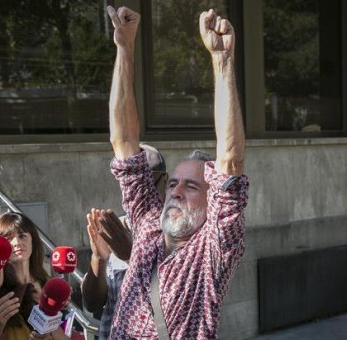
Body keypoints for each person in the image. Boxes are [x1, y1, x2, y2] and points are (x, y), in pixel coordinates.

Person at [106, 6, 249, 339]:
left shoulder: (211, 252)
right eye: (172, 183)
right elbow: (124, 141)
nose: (176, 192)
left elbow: (230, 164)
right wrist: (125, 49)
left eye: (191, 186)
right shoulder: (147, 230)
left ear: (213, 201)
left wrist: (222, 61)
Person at [81, 144, 166, 340]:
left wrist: (132, 256)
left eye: (147, 183)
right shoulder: (115, 229)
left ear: (165, 181)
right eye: (130, 183)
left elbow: (173, 302)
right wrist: (99, 259)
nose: (139, 193)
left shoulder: (178, 233)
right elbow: (92, 304)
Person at [0, 212, 49, 310]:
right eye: (8, 239)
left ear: (33, 240)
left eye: (22, 236)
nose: (17, 243)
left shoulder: (46, 281)